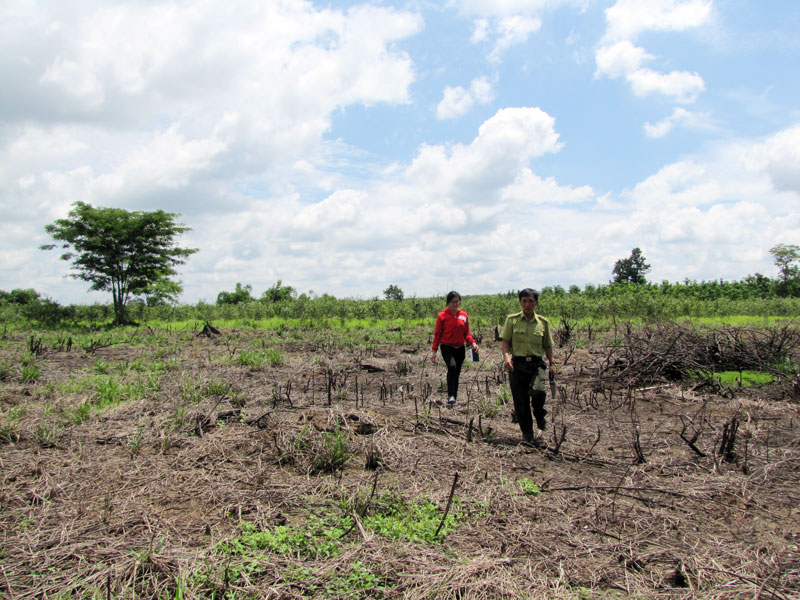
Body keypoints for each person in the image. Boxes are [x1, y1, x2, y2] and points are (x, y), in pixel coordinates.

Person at [500, 288, 556, 446]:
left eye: (531, 301)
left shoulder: (543, 323)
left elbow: (548, 345)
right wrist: (507, 358)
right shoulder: (512, 320)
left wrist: (552, 363)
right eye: (524, 301)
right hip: (517, 365)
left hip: (536, 364)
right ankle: (527, 435)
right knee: (521, 402)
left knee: (538, 391)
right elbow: (505, 342)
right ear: (520, 302)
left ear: (536, 303)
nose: (527, 304)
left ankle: (539, 414)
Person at [430, 291, 479, 407]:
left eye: (457, 302)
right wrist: (434, 351)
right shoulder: (442, 316)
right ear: (448, 302)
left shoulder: (464, 315)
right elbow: (437, 334)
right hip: (447, 347)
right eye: (453, 302)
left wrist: (473, 343)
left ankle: (453, 399)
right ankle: (450, 396)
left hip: (460, 348)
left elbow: (467, 333)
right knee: (452, 367)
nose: (455, 304)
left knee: (456, 372)